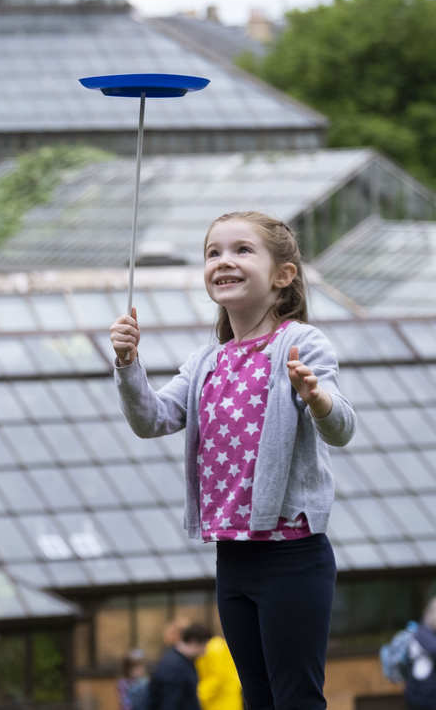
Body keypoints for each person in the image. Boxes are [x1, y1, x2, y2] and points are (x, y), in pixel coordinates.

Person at [110, 211, 356, 709]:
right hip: (233, 558)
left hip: (292, 553)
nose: (224, 261)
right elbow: (151, 419)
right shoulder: (206, 361)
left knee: (296, 699)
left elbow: (343, 427)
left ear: (283, 276)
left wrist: (316, 398)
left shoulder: (300, 343)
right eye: (213, 252)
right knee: (257, 699)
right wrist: (128, 364)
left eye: (242, 250)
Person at [149, 623, 212, 710]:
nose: (205, 652)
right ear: (193, 642)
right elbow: (170, 703)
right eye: (204, 646)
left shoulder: (182, 662)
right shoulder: (174, 667)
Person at [196, 635, 243, 710]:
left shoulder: (214, 649)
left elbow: (218, 677)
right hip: (228, 698)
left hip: (222, 702)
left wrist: (199, 694)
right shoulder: (217, 645)